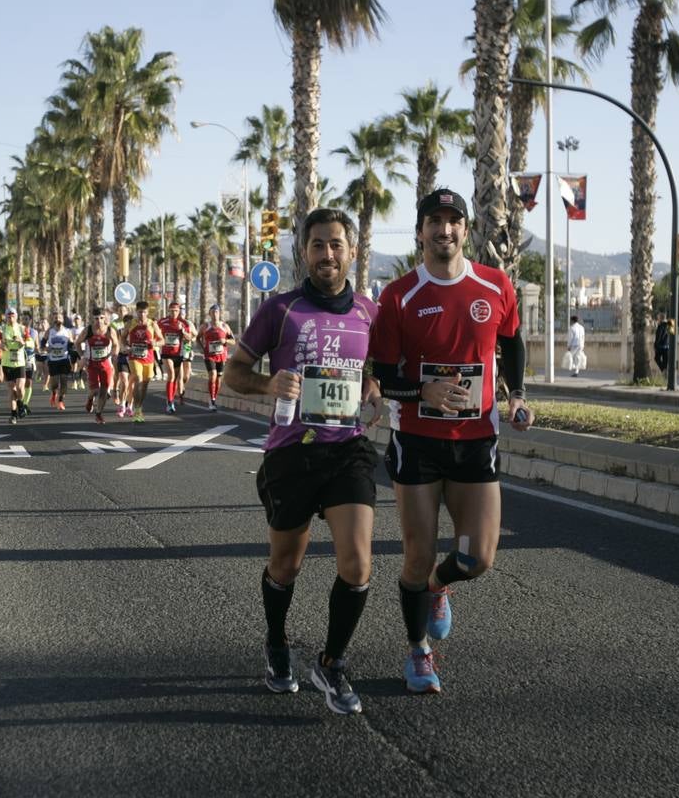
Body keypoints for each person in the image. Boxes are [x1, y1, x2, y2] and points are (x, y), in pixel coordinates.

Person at [367, 188, 534, 695]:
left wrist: (517, 395)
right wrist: (424, 391)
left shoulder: (494, 284)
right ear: (420, 232)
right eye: (434, 221)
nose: (445, 230)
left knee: (477, 559)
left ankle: (439, 587)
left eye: (453, 221)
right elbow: (384, 375)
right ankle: (419, 650)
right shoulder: (399, 296)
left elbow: (511, 342)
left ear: (466, 230)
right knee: (416, 556)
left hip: (475, 439)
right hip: (415, 441)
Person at [223, 208, 382, 716]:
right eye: (317, 245)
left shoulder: (368, 313)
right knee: (286, 566)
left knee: (357, 564)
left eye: (336, 244)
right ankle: (276, 643)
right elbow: (234, 373)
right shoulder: (280, 310)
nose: (327, 254)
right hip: (292, 452)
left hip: (348, 451)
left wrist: (374, 394)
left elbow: (374, 374)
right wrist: (269, 384)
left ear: (351, 251)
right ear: (304, 252)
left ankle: (331, 664)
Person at [76, 307, 120, 424]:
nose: (99, 321)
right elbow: (77, 343)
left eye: (101, 318)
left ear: (105, 318)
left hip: (106, 363)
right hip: (91, 363)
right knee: (95, 390)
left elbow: (116, 345)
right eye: (96, 318)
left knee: (104, 391)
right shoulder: (88, 330)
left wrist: (113, 354)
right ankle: (90, 399)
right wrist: (82, 357)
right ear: (92, 319)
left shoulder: (110, 330)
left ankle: (99, 413)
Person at [122, 301, 164, 423]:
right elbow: (123, 337)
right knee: (138, 379)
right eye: (140, 312)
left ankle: (139, 406)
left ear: (147, 312)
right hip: (134, 356)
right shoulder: (131, 323)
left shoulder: (152, 324)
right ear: (136, 312)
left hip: (148, 358)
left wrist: (154, 343)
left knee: (145, 385)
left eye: (144, 312)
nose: (142, 314)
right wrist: (125, 347)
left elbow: (162, 340)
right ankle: (136, 409)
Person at [157, 299, 194, 413]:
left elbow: (190, 338)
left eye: (176, 311)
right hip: (166, 353)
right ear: (168, 311)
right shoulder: (162, 322)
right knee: (171, 375)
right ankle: (169, 402)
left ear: (179, 311)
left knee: (176, 378)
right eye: (172, 311)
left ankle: (171, 399)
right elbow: (155, 333)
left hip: (178, 353)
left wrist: (182, 330)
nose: (174, 313)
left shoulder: (184, 323)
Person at [199, 304, 235, 411]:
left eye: (217, 312)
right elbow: (198, 338)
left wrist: (225, 341)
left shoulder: (225, 326)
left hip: (221, 356)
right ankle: (212, 399)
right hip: (209, 355)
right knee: (213, 375)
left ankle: (215, 396)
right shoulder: (205, 326)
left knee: (219, 379)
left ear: (219, 314)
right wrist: (202, 348)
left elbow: (233, 341)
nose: (215, 314)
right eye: (213, 312)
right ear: (209, 314)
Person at [0, 307, 29, 424]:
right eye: (8, 316)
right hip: (7, 362)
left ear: (16, 316)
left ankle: (21, 403)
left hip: (20, 362)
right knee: (12, 389)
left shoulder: (22, 328)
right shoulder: (2, 329)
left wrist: (22, 342)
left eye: (13, 316)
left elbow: (30, 342)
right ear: (6, 317)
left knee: (20, 388)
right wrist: (0, 346)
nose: (11, 318)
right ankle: (13, 415)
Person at [44, 312, 76, 410]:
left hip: (64, 359)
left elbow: (71, 344)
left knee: (64, 381)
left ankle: (60, 400)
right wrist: (46, 348)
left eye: (59, 317)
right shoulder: (49, 331)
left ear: (63, 320)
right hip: (53, 360)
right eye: (56, 317)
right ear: (53, 320)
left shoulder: (67, 331)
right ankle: (54, 393)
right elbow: (42, 343)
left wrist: (72, 347)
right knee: (54, 384)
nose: (58, 319)